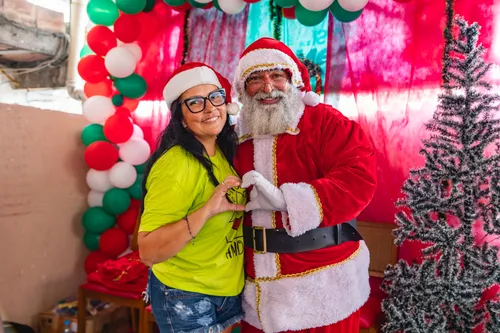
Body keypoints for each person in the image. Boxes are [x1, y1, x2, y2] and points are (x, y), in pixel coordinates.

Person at [231, 38, 377, 333]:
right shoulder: (233, 137)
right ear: (243, 89)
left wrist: (291, 201)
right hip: (255, 289)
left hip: (323, 285)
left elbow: (358, 178)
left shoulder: (325, 122)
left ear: (293, 80)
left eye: (277, 76)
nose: (268, 88)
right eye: (256, 79)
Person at [138, 62, 247, 333]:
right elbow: (148, 251)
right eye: (196, 103)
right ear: (182, 119)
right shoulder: (175, 165)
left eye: (215, 98)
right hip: (186, 293)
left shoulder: (220, 151)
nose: (210, 108)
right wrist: (206, 210)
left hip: (226, 289)